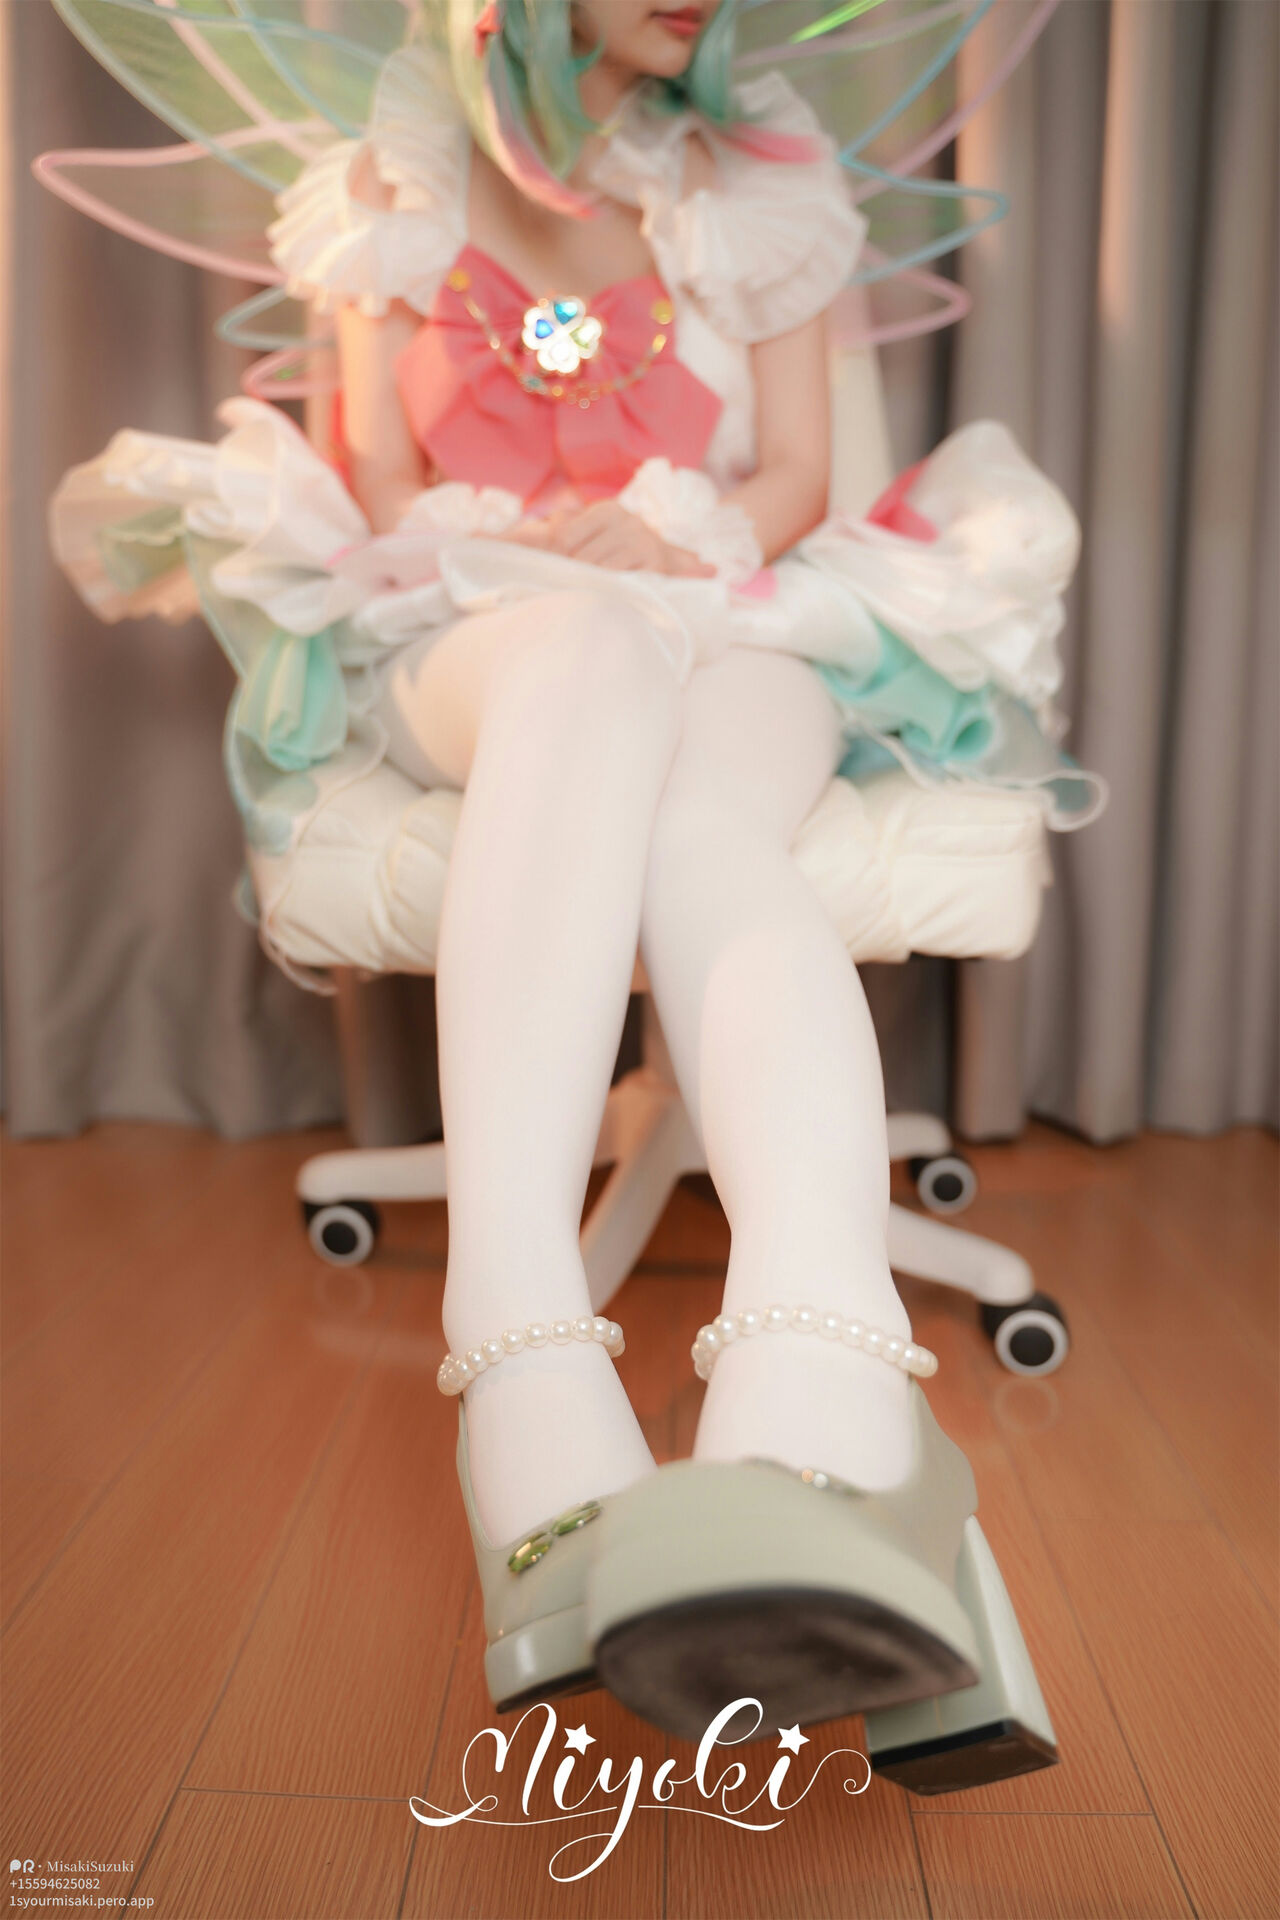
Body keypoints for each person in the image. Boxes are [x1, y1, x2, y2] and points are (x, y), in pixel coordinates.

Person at [47, 0, 1096, 1774]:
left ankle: (790, 1360)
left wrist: (665, 539)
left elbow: (798, 476)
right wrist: (530, 547)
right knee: (587, 662)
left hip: (729, 605)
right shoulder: (393, 176)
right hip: (482, 622)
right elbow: (379, 475)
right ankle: (581, 1350)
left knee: (697, 821)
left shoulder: (761, 177)